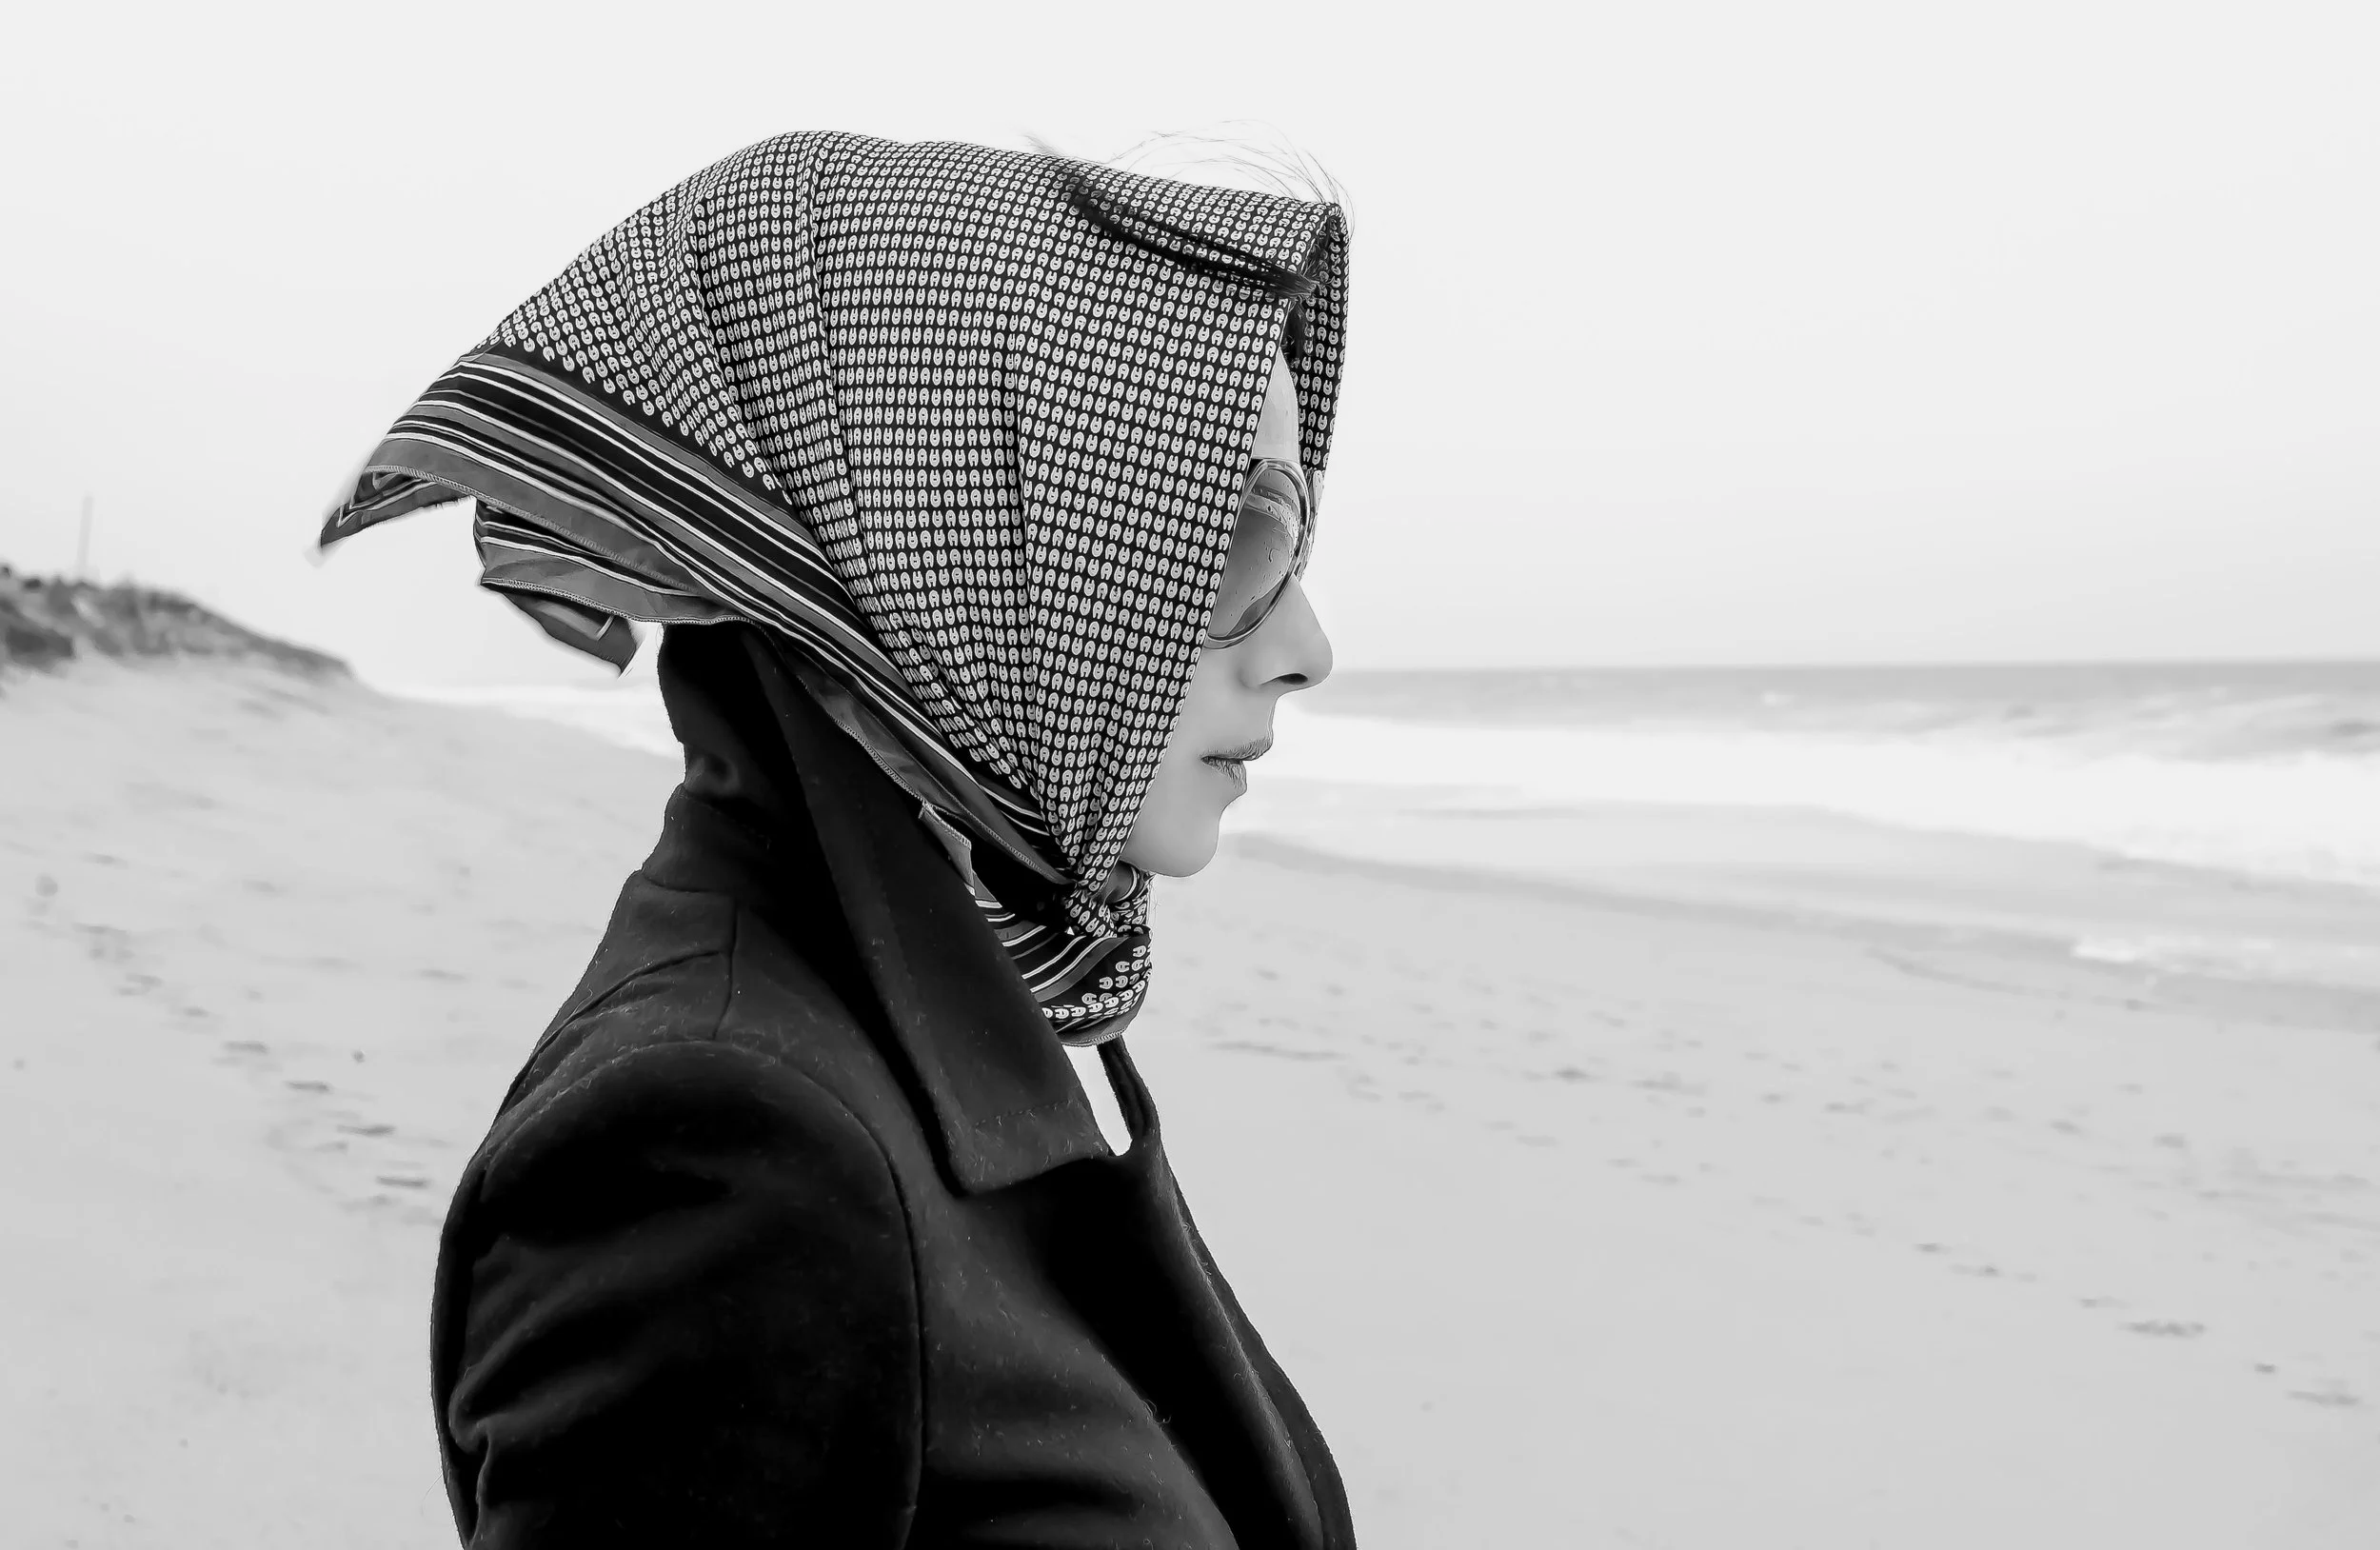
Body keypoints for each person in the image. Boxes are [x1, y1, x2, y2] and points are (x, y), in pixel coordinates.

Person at [320, 129, 1354, 1548]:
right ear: (951, 536)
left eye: (1293, 542)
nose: (1309, 645)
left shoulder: (974, 994)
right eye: (1226, 534)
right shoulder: (723, 1161)